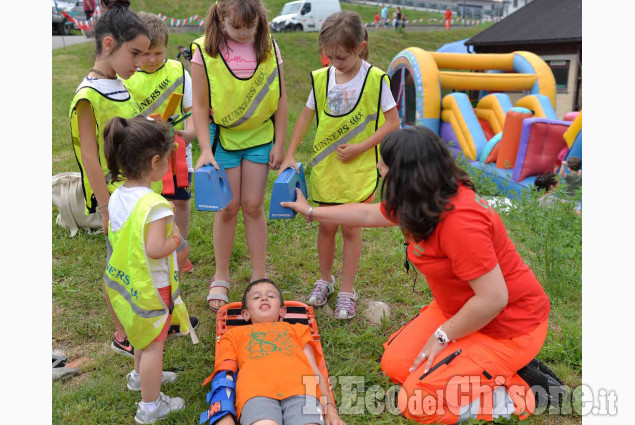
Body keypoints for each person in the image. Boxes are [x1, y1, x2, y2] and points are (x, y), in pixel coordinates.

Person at [281, 126, 553, 423]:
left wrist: (442, 336)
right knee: (396, 366)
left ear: (405, 172)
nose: (378, 167)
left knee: (415, 401)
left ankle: (523, 390)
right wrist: (310, 212)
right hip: (462, 311)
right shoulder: (422, 197)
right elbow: (368, 214)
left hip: (509, 327)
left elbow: (493, 299)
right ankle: (481, 364)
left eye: (383, 162)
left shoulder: (461, 223)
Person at [279, 11, 400, 319]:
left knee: (350, 227)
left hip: (357, 172)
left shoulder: (376, 79)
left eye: (341, 57)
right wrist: (290, 153)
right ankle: (325, 280)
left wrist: (361, 147)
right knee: (326, 224)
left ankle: (347, 290)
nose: (335, 63)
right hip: (326, 170)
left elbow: (392, 124)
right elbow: (306, 116)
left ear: (360, 46)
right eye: (329, 56)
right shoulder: (322, 79)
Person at [190, 0, 288, 313]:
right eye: (236, 28)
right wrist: (205, 149)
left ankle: (259, 276)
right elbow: (201, 107)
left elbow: (281, 101)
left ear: (260, 20)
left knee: (253, 205)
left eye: (251, 27)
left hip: (260, 139)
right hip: (225, 141)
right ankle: (221, 275)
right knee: (229, 208)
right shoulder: (203, 52)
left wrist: (280, 143)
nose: (244, 34)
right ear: (220, 19)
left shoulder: (270, 46)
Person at [69, 0, 152, 358]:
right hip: (116, 201)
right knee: (119, 267)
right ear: (108, 45)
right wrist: (105, 209)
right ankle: (123, 333)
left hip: (137, 193)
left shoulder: (120, 84)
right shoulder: (88, 96)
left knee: (142, 262)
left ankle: (149, 320)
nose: (140, 62)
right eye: (135, 54)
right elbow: (90, 156)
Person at [103, 116, 192, 424]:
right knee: (155, 345)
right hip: (151, 286)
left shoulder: (116, 195)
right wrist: (175, 240)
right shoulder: (156, 205)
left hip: (124, 283)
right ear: (156, 161)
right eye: (167, 159)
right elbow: (155, 248)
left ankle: (139, 378)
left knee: (141, 337)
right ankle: (150, 407)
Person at [206, 279, 346, 425]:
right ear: (246, 314)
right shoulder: (234, 335)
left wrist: (330, 410)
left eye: (271, 296)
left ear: (282, 311)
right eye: (256, 297)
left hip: (304, 392)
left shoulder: (299, 330)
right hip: (255, 393)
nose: (264, 298)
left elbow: (315, 370)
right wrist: (223, 415)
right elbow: (225, 373)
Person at [124, 12, 196, 274]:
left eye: (159, 53)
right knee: (146, 203)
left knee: (179, 202)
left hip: (176, 154)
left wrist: (191, 134)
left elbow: (193, 109)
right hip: (142, 156)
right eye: (146, 54)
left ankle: (179, 251)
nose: (152, 59)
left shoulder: (178, 71)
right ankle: (147, 252)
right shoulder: (127, 75)